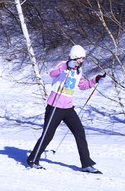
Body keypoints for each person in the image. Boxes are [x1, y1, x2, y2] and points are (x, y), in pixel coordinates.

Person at [26, 44, 106, 173]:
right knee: (48, 135)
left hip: (68, 108)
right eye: (80, 58)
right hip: (55, 106)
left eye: (83, 58)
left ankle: (86, 164)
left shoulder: (78, 71)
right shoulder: (63, 65)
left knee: (80, 133)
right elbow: (52, 74)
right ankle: (33, 159)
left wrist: (95, 80)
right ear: (74, 57)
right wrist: (66, 66)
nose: (82, 61)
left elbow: (83, 85)